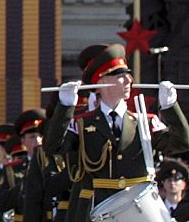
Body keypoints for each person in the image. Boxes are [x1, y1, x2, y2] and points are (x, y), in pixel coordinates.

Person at [45, 43, 189, 222]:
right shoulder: (82, 124)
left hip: (140, 211)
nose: (129, 80)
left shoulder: (144, 121)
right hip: (99, 208)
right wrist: (64, 107)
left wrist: (170, 107)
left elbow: (181, 143)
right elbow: (53, 147)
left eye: (129, 75)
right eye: (121, 76)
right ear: (101, 82)